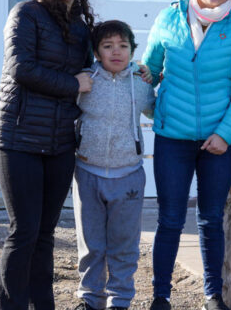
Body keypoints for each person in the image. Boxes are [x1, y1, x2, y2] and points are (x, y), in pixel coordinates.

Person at [142, 0, 231, 310]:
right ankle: (161, 296)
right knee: (171, 219)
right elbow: (148, 71)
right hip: (172, 139)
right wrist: (157, 111)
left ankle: (213, 296)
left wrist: (225, 133)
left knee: (211, 219)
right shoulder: (168, 18)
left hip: (218, 142)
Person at [0, 0, 96, 310]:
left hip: (60, 142)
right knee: (24, 233)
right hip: (18, 137)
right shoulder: (26, 14)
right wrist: (73, 84)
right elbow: (21, 69)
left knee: (46, 235)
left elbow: (94, 73)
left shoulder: (81, 28)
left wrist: (138, 72)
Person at [71, 20, 155, 310]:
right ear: (96, 51)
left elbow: (158, 112)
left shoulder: (142, 83)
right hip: (87, 172)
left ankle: (119, 300)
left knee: (124, 245)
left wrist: (151, 74)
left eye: (123, 46)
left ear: (133, 50)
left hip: (129, 174)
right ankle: (89, 299)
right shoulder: (84, 80)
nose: (116, 52)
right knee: (91, 244)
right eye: (107, 46)